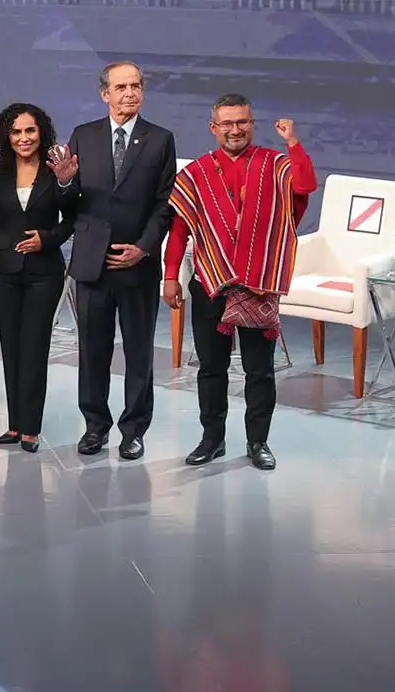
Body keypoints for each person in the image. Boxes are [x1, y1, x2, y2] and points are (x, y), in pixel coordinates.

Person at [163, 96, 317, 471]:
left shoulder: (275, 164)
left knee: (259, 371)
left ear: (252, 123)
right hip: (210, 282)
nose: (235, 130)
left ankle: (258, 442)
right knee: (210, 369)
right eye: (227, 123)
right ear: (213, 127)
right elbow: (180, 230)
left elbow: (306, 185)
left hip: (258, 284)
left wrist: (293, 143)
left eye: (242, 122)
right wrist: (170, 277)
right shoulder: (196, 174)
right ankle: (212, 440)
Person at [61, 62, 177, 461]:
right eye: (121, 86)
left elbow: (165, 204)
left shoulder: (160, 140)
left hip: (137, 264)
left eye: (136, 85)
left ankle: (134, 429)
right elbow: (68, 201)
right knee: (92, 349)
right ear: (104, 94)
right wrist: (61, 182)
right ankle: (95, 426)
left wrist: (143, 248)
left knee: (139, 349)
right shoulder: (83, 136)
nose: (129, 92)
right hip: (92, 263)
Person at [0, 103, 79, 453]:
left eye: (30, 130)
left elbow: (71, 218)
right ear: (6, 137)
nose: (24, 138)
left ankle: (31, 428)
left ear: (41, 132)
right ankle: (15, 424)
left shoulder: (56, 169)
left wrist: (47, 238)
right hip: (4, 272)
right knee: (11, 347)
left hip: (44, 272)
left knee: (34, 347)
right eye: (16, 132)